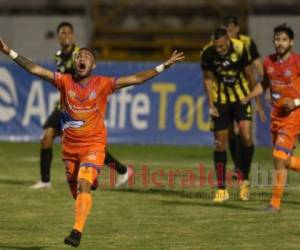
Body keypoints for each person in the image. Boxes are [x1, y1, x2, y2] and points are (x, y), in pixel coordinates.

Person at [0, 38, 185, 246]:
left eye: (87, 57)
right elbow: (35, 69)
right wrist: (9, 52)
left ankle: (76, 232)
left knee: (83, 184)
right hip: (70, 149)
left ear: (93, 65)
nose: (82, 58)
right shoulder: (64, 81)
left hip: (93, 146)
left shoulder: (103, 83)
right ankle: (90, 182)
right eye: (80, 56)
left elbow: (135, 78)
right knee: (77, 191)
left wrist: (163, 66)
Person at [30, 22, 131, 190]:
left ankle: (121, 170)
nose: (66, 35)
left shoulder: (79, 54)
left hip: (78, 107)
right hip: (65, 106)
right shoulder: (58, 55)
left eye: (69, 32)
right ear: (58, 36)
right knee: (47, 136)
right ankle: (45, 180)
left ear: (73, 35)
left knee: (84, 145)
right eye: (63, 33)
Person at [242, 24, 300, 212]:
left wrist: (297, 102)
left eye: (284, 40)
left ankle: (274, 204)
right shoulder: (268, 62)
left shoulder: (297, 62)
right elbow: (265, 83)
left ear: (291, 42)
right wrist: (250, 96)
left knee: (278, 156)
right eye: (277, 39)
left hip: (293, 116)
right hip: (277, 116)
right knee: (284, 160)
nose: (280, 43)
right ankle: (275, 204)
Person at [200, 28, 260, 203]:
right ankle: (221, 189)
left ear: (227, 40)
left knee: (246, 137)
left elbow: (250, 76)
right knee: (220, 142)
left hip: (241, 98)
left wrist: (256, 101)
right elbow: (208, 79)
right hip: (221, 101)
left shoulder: (240, 48)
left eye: (221, 46)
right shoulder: (207, 52)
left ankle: (245, 180)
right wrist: (211, 104)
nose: (218, 50)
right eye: (215, 47)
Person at [221, 15, 266, 178]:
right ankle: (238, 168)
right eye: (225, 31)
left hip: (243, 94)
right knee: (231, 132)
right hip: (225, 96)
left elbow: (257, 65)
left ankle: (242, 168)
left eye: (230, 30)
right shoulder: (220, 45)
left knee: (245, 134)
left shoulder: (246, 43)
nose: (228, 34)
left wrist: (264, 83)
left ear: (237, 29)